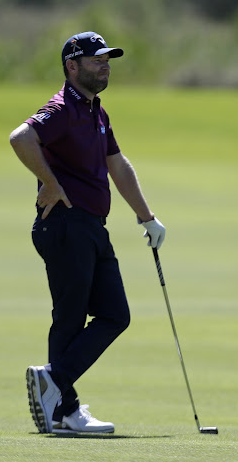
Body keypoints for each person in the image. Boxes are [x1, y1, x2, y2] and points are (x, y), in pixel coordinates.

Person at [9, 31, 165, 434]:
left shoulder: (97, 112)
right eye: (96, 60)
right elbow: (21, 137)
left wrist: (146, 216)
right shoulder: (62, 107)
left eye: (107, 60)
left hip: (92, 226)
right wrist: (49, 181)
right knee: (71, 318)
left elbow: (117, 165)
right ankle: (64, 405)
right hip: (65, 224)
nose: (105, 65)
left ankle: (57, 392)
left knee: (114, 314)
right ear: (71, 66)